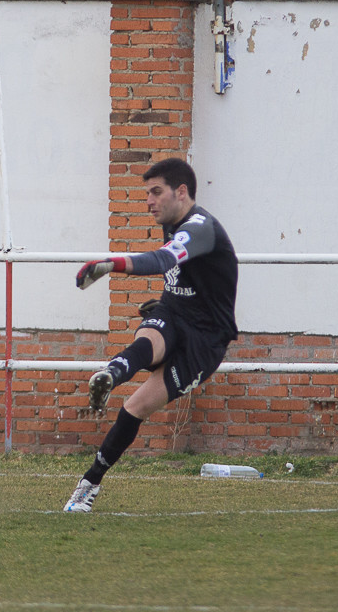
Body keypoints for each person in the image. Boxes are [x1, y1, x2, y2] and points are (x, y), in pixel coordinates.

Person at [63, 157, 238, 513]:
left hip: (206, 340)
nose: (149, 201)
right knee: (148, 340)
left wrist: (111, 264)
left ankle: (90, 482)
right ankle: (111, 374)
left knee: (134, 408)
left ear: (182, 191)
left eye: (156, 192)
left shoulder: (200, 228)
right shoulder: (172, 221)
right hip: (174, 314)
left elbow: (162, 260)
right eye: (147, 193)